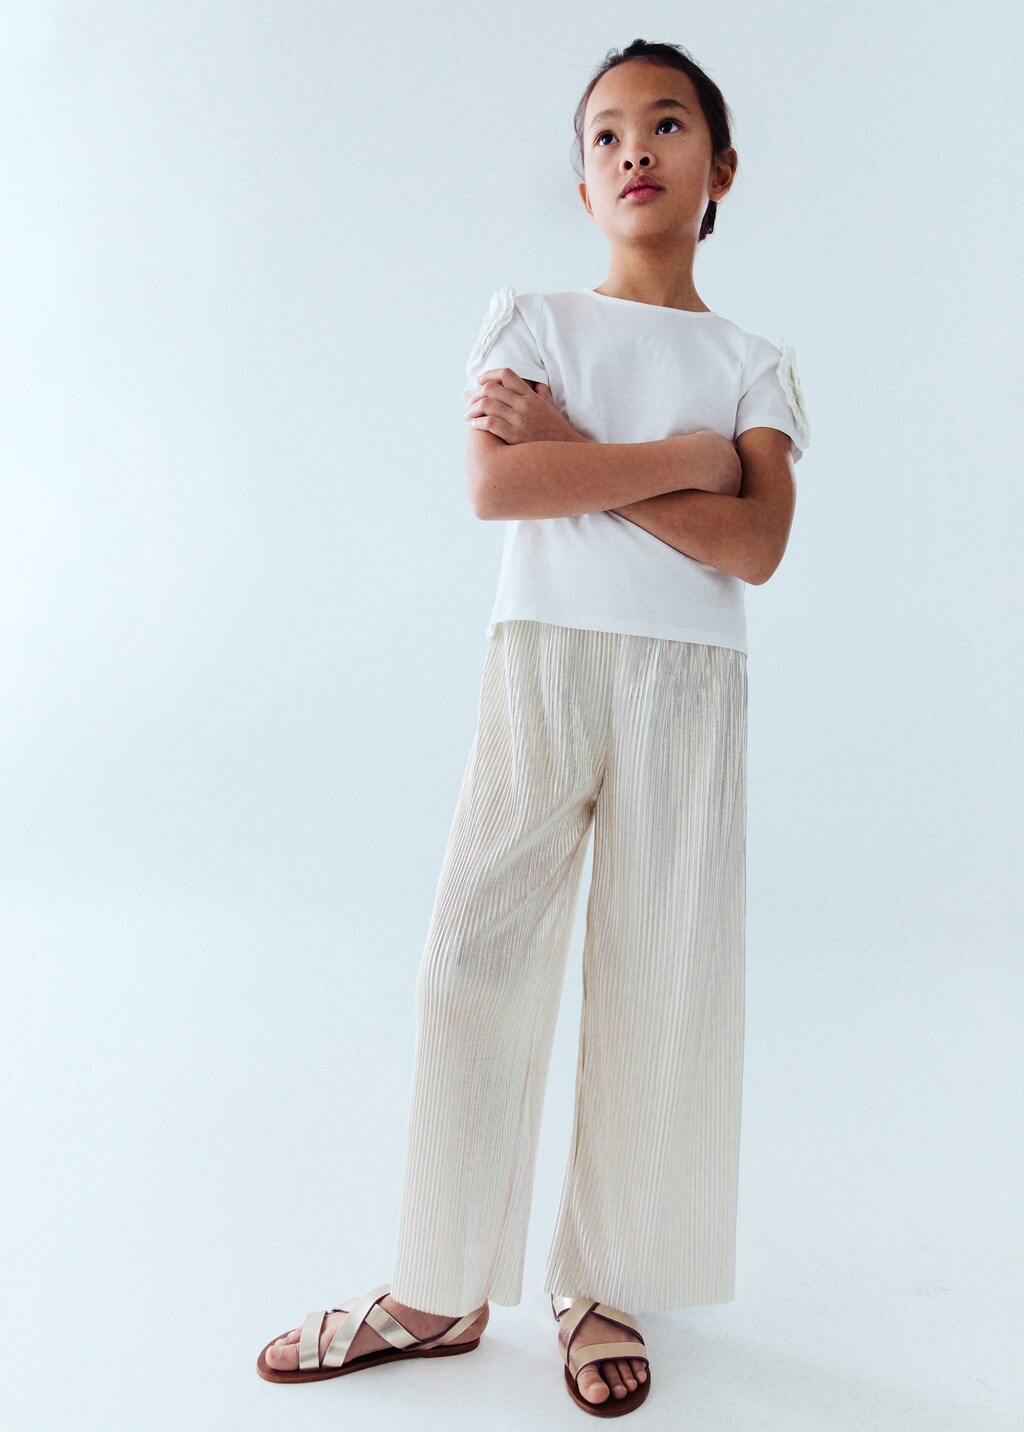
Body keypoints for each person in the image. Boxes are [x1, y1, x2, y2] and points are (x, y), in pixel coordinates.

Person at [256, 36, 810, 1417]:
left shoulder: (752, 362)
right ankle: (437, 1286)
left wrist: (578, 448)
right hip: (544, 664)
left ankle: (604, 1281)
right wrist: (685, 461)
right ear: (581, 183)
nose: (636, 150)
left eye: (668, 125)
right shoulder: (534, 325)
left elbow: (753, 547)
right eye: (606, 134)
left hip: (689, 683)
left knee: (662, 980)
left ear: (721, 169)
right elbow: (499, 490)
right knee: (470, 956)